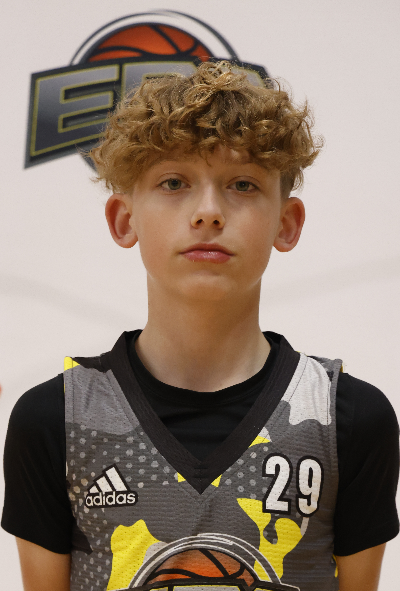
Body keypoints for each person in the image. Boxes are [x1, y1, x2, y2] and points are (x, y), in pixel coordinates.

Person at [2, 62, 399, 591]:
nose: (208, 212)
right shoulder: (54, 420)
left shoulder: (349, 419)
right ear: (124, 219)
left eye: (242, 184)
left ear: (286, 223)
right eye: (174, 182)